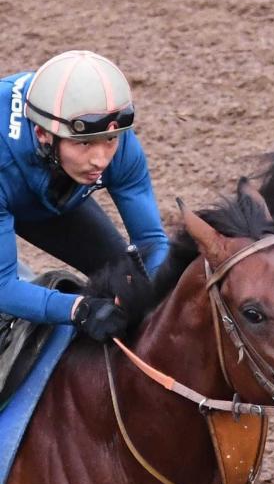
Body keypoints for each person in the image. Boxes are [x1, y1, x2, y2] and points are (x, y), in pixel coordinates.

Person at [0, 50, 169, 342]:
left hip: (43, 190)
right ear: (43, 134)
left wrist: (165, 295)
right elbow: (3, 286)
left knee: (130, 282)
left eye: (109, 141)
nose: (100, 160)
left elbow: (152, 242)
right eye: (85, 144)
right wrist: (78, 308)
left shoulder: (118, 140)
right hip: (10, 176)